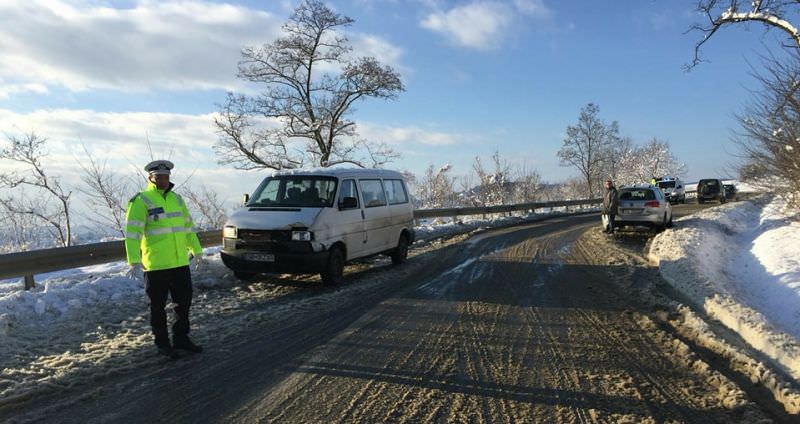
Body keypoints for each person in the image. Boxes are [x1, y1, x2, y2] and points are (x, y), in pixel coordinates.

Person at [124, 160, 205, 358]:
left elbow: (187, 228)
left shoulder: (177, 200)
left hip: (179, 263)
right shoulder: (141, 200)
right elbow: (132, 233)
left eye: (165, 177)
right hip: (156, 265)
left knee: (183, 304)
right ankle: (162, 344)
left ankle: (181, 339)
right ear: (150, 178)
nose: (162, 180)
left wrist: (197, 250)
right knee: (157, 307)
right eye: (158, 177)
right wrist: (133, 260)